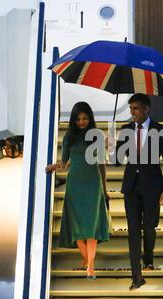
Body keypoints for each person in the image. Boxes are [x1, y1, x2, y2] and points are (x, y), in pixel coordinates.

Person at [111, 93, 163, 290]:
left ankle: (148, 256)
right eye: (131, 109)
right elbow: (118, 161)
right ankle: (136, 276)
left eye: (136, 109)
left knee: (148, 227)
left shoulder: (160, 130)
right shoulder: (125, 129)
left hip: (153, 187)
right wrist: (112, 147)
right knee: (133, 231)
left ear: (146, 109)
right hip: (131, 187)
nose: (132, 113)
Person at [46, 102, 110, 280]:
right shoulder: (68, 137)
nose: (82, 122)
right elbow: (65, 163)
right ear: (74, 120)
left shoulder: (97, 136)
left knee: (91, 228)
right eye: (79, 119)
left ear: (90, 119)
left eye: (85, 118)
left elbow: (102, 165)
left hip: (93, 184)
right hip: (75, 185)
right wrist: (54, 166)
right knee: (77, 227)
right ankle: (87, 259)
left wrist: (104, 189)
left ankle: (90, 266)